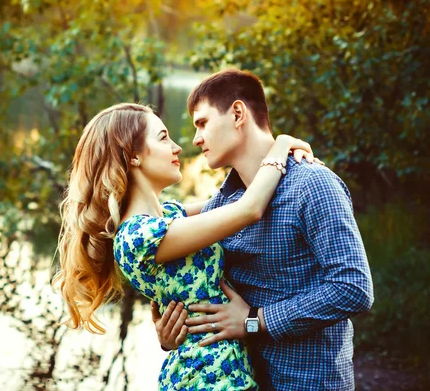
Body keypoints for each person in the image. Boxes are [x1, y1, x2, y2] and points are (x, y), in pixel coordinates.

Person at [52, 102, 319, 390]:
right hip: (204, 378)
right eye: (163, 137)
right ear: (133, 157)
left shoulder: (169, 215)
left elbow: (233, 200)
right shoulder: (138, 237)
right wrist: (280, 145)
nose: (178, 147)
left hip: (225, 371)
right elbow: (248, 209)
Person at [154, 69, 374, 390]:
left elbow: (353, 287)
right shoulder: (222, 205)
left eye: (202, 123)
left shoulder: (312, 185)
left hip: (308, 383)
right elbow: (174, 256)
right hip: (242, 380)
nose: (195, 138)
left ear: (238, 113)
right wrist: (168, 330)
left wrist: (255, 321)